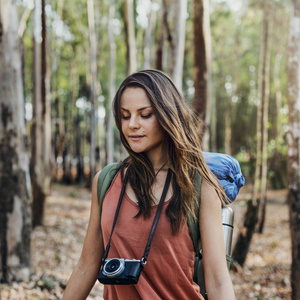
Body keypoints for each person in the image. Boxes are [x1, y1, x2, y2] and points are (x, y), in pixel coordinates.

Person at [63, 70, 236, 300]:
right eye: (125, 116)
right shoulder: (106, 181)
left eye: (145, 115)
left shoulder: (200, 186)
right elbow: (86, 266)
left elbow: (217, 280)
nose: (132, 124)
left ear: (167, 116)